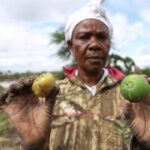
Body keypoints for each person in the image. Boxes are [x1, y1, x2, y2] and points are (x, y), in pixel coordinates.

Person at [0, 0, 150, 149]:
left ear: (109, 44)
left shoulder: (135, 98)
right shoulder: (48, 96)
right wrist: (31, 147)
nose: (94, 44)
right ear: (71, 45)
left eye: (102, 37)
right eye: (84, 37)